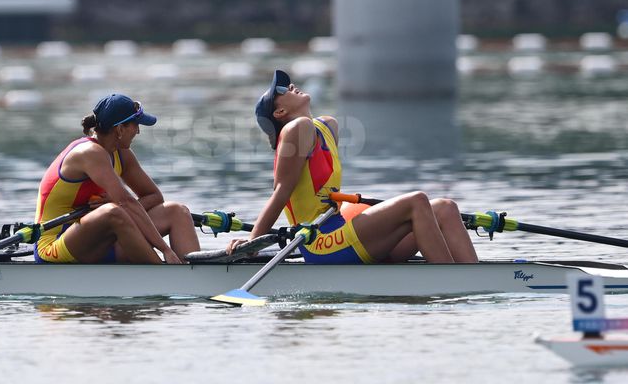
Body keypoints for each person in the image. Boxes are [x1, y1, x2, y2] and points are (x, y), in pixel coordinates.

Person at [227, 70, 478, 264]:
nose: (291, 86)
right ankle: (449, 282)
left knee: (445, 208)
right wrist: (252, 244)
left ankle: (474, 281)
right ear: (280, 111)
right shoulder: (295, 129)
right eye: (282, 89)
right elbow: (281, 192)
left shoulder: (327, 126)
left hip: (341, 231)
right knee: (417, 200)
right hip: (321, 242)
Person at [34, 93, 199, 264]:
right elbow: (125, 202)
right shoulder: (89, 152)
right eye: (136, 125)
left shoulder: (121, 154)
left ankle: (193, 273)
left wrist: (116, 207)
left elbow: (153, 196)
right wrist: (165, 249)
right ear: (120, 129)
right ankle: (169, 277)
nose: (139, 131)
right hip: (55, 245)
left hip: (101, 239)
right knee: (112, 212)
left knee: (177, 211)